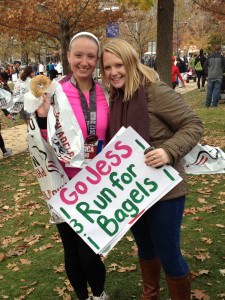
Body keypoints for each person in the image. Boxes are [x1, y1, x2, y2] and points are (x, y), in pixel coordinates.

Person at [100, 38, 203, 300]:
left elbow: (193, 124)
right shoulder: (115, 98)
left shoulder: (155, 92)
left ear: (132, 62)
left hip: (165, 193)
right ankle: (151, 295)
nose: (114, 72)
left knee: (169, 255)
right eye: (108, 67)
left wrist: (169, 151)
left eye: (119, 65)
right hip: (133, 194)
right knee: (145, 249)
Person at [26, 32, 109, 300]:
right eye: (78, 55)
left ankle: (98, 295)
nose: (84, 62)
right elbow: (39, 140)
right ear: (69, 57)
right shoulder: (55, 91)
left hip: (96, 182)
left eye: (91, 56)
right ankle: (85, 297)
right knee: (71, 247)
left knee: (89, 247)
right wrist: (41, 116)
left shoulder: (106, 91)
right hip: (62, 183)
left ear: (97, 59)